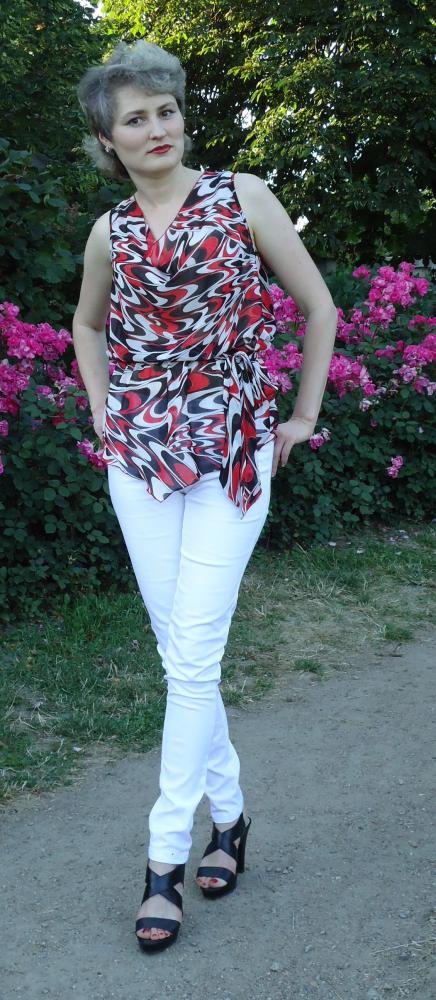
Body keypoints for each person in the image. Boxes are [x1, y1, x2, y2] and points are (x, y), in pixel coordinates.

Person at [73, 39, 338, 953]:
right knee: (180, 655)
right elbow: (87, 324)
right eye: (135, 118)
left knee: (191, 660)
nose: (157, 128)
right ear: (108, 140)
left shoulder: (243, 197)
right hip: (139, 459)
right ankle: (230, 818)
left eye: (166, 111)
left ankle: (162, 863)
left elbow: (319, 306)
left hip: (232, 451)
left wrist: (302, 416)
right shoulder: (110, 232)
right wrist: (104, 412)